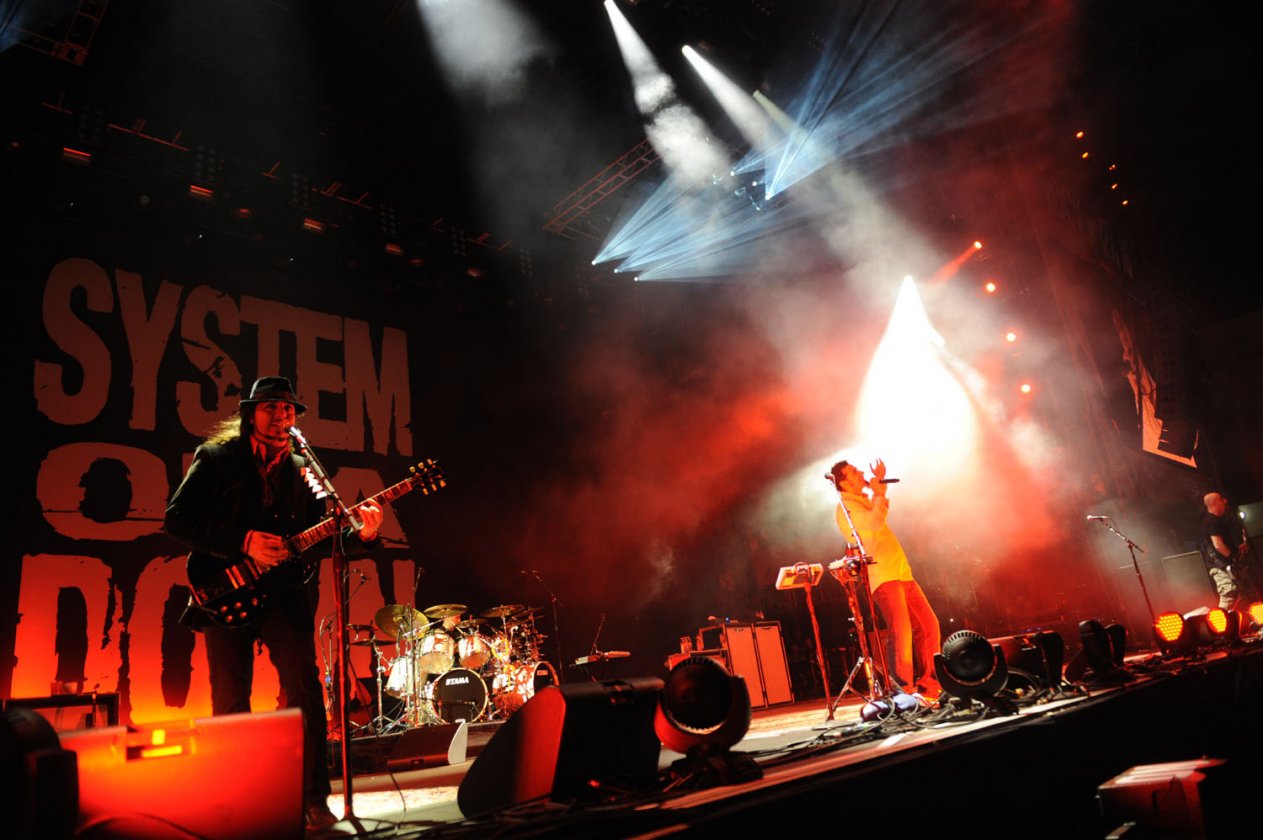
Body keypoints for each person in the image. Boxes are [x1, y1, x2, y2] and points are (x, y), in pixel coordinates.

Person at [164, 376, 382, 830]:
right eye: (272, 407)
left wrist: (361, 534)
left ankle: (314, 801)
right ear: (251, 413)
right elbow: (177, 519)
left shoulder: (304, 467)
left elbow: (319, 538)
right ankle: (239, 802)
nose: (282, 415)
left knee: (304, 691)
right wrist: (243, 542)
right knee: (230, 700)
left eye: (289, 409)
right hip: (224, 588)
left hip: (286, 596)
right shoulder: (217, 457)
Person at [828, 458, 942, 700]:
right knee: (901, 633)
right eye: (855, 472)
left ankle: (929, 687)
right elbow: (874, 523)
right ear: (844, 484)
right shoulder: (846, 508)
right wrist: (879, 494)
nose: (861, 474)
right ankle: (902, 692)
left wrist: (878, 492)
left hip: (901, 572)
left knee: (929, 625)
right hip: (883, 575)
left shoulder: (862, 502)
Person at [1202, 491, 1249, 610]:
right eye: (1221, 499)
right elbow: (1217, 544)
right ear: (1214, 503)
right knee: (1229, 594)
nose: (1225, 501)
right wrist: (1233, 558)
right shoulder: (1213, 521)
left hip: (1223, 565)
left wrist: (1237, 551)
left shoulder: (1213, 520)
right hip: (1221, 567)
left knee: (1238, 595)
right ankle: (1221, 625)